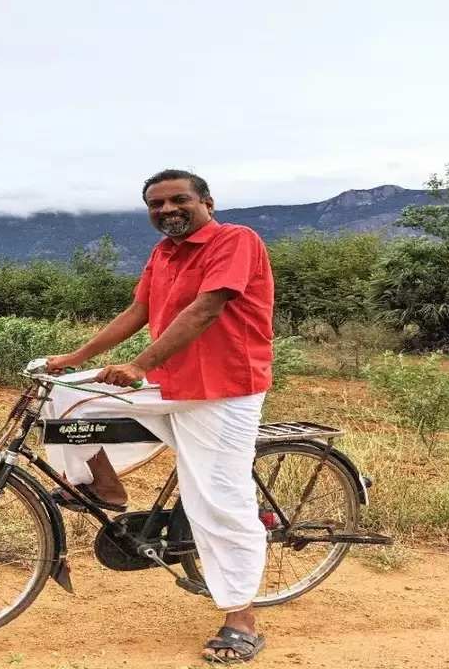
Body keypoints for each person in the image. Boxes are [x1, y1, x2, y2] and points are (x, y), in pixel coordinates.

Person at [39, 169, 275, 663]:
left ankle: (241, 617)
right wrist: (76, 358)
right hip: (169, 384)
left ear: (206, 201)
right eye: (156, 204)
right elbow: (137, 312)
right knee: (63, 398)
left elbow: (207, 309)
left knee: (216, 501)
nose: (166, 209)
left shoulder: (235, 240)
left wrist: (139, 364)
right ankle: (106, 489)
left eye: (178, 200)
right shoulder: (163, 252)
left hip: (223, 391)